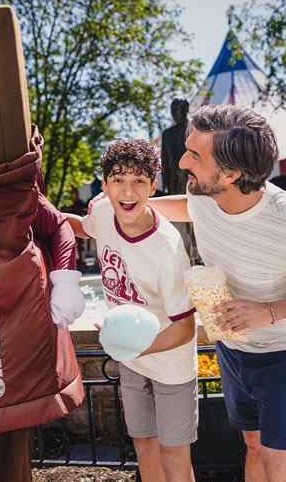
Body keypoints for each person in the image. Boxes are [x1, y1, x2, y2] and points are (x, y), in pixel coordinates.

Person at [129, 104, 286, 482]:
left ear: (230, 174)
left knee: (281, 468)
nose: (182, 162)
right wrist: (132, 207)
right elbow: (192, 208)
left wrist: (270, 310)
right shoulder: (205, 191)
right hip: (233, 350)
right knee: (252, 445)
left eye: (194, 155)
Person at [66, 138, 198, 482]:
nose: (128, 191)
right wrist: (36, 211)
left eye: (139, 180)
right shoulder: (103, 212)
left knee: (175, 460)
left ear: (152, 187)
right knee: (144, 450)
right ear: (105, 185)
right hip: (131, 361)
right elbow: (83, 227)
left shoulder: (167, 248)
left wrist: (128, 344)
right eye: (118, 180)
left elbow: (185, 328)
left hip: (171, 365)